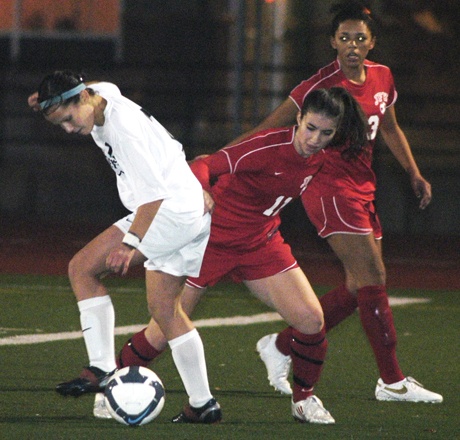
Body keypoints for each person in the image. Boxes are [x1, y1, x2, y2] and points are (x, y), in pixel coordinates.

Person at [112, 87, 370, 424]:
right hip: (209, 241)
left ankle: (303, 401)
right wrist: (202, 190)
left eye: (326, 132)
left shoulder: (326, 155)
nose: (315, 139)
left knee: (311, 320)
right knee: (162, 329)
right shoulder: (267, 146)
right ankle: (112, 384)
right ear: (298, 119)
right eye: (310, 128)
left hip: (259, 242)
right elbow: (203, 164)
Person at [234, 1, 441, 403]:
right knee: (374, 279)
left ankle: (279, 345)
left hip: (363, 189)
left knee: (354, 286)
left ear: (372, 42)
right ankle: (392, 381)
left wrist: (414, 172)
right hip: (328, 190)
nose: (352, 45)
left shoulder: (382, 76)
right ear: (332, 42)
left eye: (360, 38)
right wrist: (214, 163)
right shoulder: (320, 87)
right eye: (344, 37)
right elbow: (268, 129)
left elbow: (392, 129)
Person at [29, 70, 222, 424]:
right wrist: (44, 100)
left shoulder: (123, 129)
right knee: (165, 309)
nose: (69, 129)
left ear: (83, 98)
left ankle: (102, 367)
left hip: (168, 212)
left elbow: (152, 197)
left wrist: (130, 245)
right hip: (189, 209)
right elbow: (89, 85)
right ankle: (203, 403)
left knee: (82, 268)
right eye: (61, 125)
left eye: (69, 119)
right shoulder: (102, 94)